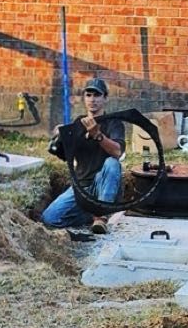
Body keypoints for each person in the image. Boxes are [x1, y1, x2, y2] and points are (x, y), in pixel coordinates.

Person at [41, 78, 125, 229]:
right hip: (82, 187)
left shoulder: (114, 122)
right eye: (89, 95)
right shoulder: (78, 123)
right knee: (49, 219)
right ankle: (89, 216)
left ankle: (101, 216)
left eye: (97, 95)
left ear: (105, 98)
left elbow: (117, 152)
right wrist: (60, 138)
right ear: (84, 98)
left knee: (112, 163)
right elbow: (66, 155)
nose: (92, 100)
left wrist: (98, 135)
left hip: (103, 185)